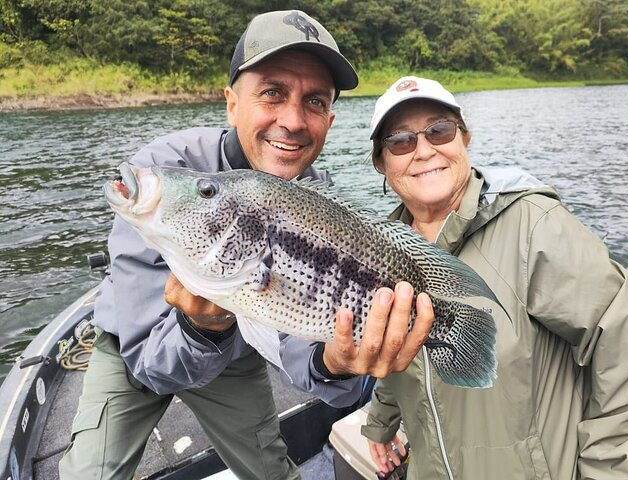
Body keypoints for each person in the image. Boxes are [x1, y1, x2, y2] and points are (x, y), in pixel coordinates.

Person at [59, 12, 434, 480]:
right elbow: (151, 364)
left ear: (329, 120)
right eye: (272, 92)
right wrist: (198, 329)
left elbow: (295, 337)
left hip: (233, 357)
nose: (293, 121)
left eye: (314, 101)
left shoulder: (314, 199)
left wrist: (333, 364)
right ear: (232, 103)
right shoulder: (164, 168)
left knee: (273, 471)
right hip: (133, 350)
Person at [360, 76, 628, 480]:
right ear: (381, 163)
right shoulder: (380, 253)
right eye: (400, 140)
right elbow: (397, 349)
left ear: (464, 138)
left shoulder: (534, 227)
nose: (423, 150)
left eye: (439, 130)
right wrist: (381, 420)